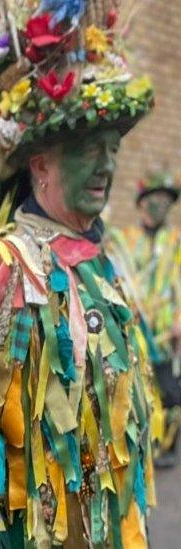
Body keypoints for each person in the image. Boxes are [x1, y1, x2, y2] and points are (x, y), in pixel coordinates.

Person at [0, 1, 158, 545]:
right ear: (39, 166)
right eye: (89, 150)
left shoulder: (100, 260)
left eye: (112, 149)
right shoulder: (4, 270)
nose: (107, 166)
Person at [108, 171, 181, 467]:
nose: (160, 206)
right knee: (138, 389)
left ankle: (167, 446)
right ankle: (145, 445)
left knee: (171, 393)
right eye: (155, 200)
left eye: (166, 201)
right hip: (136, 332)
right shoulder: (125, 240)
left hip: (166, 334)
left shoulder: (176, 241)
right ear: (141, 204)